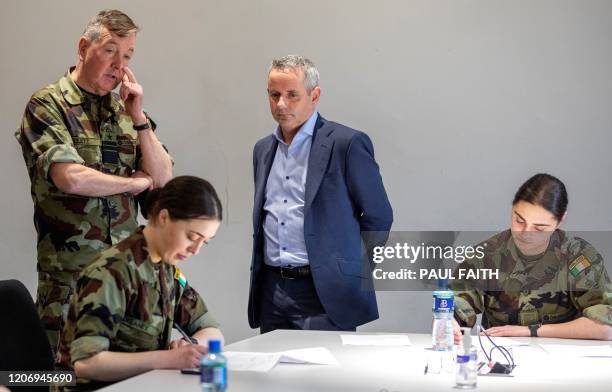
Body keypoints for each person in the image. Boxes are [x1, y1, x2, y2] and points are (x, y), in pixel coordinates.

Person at [15, 9, 173, 352]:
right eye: (110, 50)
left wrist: (139, 119)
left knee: (128, 378)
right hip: (70, 282)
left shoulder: (126, 113)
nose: (119, 64)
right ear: (84, 47)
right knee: (67, 379)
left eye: (128, 55)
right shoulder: (48, 104)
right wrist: (133, 184)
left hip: (126, 281)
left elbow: (162, 179)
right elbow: (69, 177)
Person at [248, 55, 393, 333]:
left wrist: (349, 268)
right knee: (273, 373)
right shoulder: (263, 149)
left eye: (292, 95)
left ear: (314, 96)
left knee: (325, 374)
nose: (281, 104)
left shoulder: (346, 144)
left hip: (325, 292)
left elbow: (379, 217)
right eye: (274, 94)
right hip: (272, 289)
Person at [56, 176, 223, 389]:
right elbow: (87, 363)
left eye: (204, 243)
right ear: (164, 217)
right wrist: (168, 359)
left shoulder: (165, 267)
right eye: (192, 237)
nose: (195, 250)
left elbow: (211, 329)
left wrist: (193, 349)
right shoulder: (113, 271)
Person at [452, 173, 612, 341]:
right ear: (512, 208)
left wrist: (531, 331)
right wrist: (448, 322)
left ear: (560, 221)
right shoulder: (486, 254)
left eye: (539, 227)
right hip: (501, 354)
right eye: (519, 220)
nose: (525, 233)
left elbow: (605, 328)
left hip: (563, 356)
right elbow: (455, 304)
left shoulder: (577, 256)